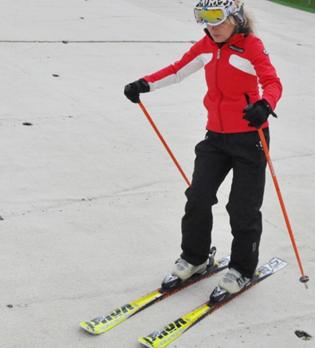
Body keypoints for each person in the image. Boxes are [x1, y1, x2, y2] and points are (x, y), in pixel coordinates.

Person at [124, 0, 282, 294]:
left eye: (219, 20)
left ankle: (241, 269)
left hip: (251, 138)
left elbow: (272, 81)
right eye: (206, 21)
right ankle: (195, 257)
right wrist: (144, 84)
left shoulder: (251, 45)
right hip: (215, 138)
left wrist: (265, 104)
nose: (213, 28)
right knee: (198, 196)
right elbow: (177, 70)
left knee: (242, 207)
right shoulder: (207, 46)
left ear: (235, 17)